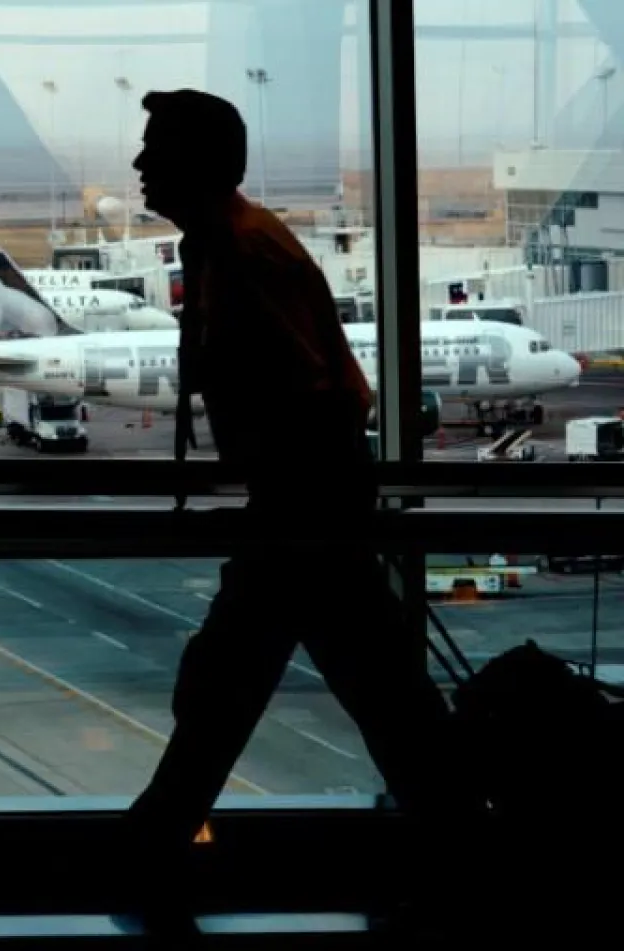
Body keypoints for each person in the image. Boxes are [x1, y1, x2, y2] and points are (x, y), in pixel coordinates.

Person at [125, 89, 482, 920]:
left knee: (239, 700)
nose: (140, 165)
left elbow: (322, 400)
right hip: (302, 515)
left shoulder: (249, 256)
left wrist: (286, 508)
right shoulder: (227, 248)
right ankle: (465, 860)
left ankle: (144, 859)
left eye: (155, 148)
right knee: (365, 704)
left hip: (304, 519)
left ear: (200, 163)